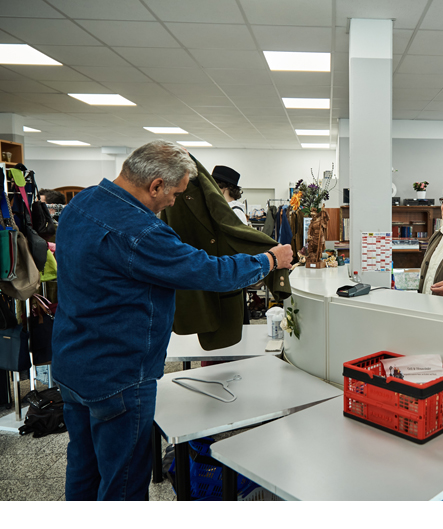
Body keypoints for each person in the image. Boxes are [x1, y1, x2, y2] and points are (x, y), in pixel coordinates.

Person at [51, 140, 293, 501]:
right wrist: (270, 259)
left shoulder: (81, 203)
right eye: (177, 193)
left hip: (71, 363)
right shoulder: (142, 232)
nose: (175, 202)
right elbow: (210, 272)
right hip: (120, 373)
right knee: (123, 481)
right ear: (156, 186)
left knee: (84, 469)